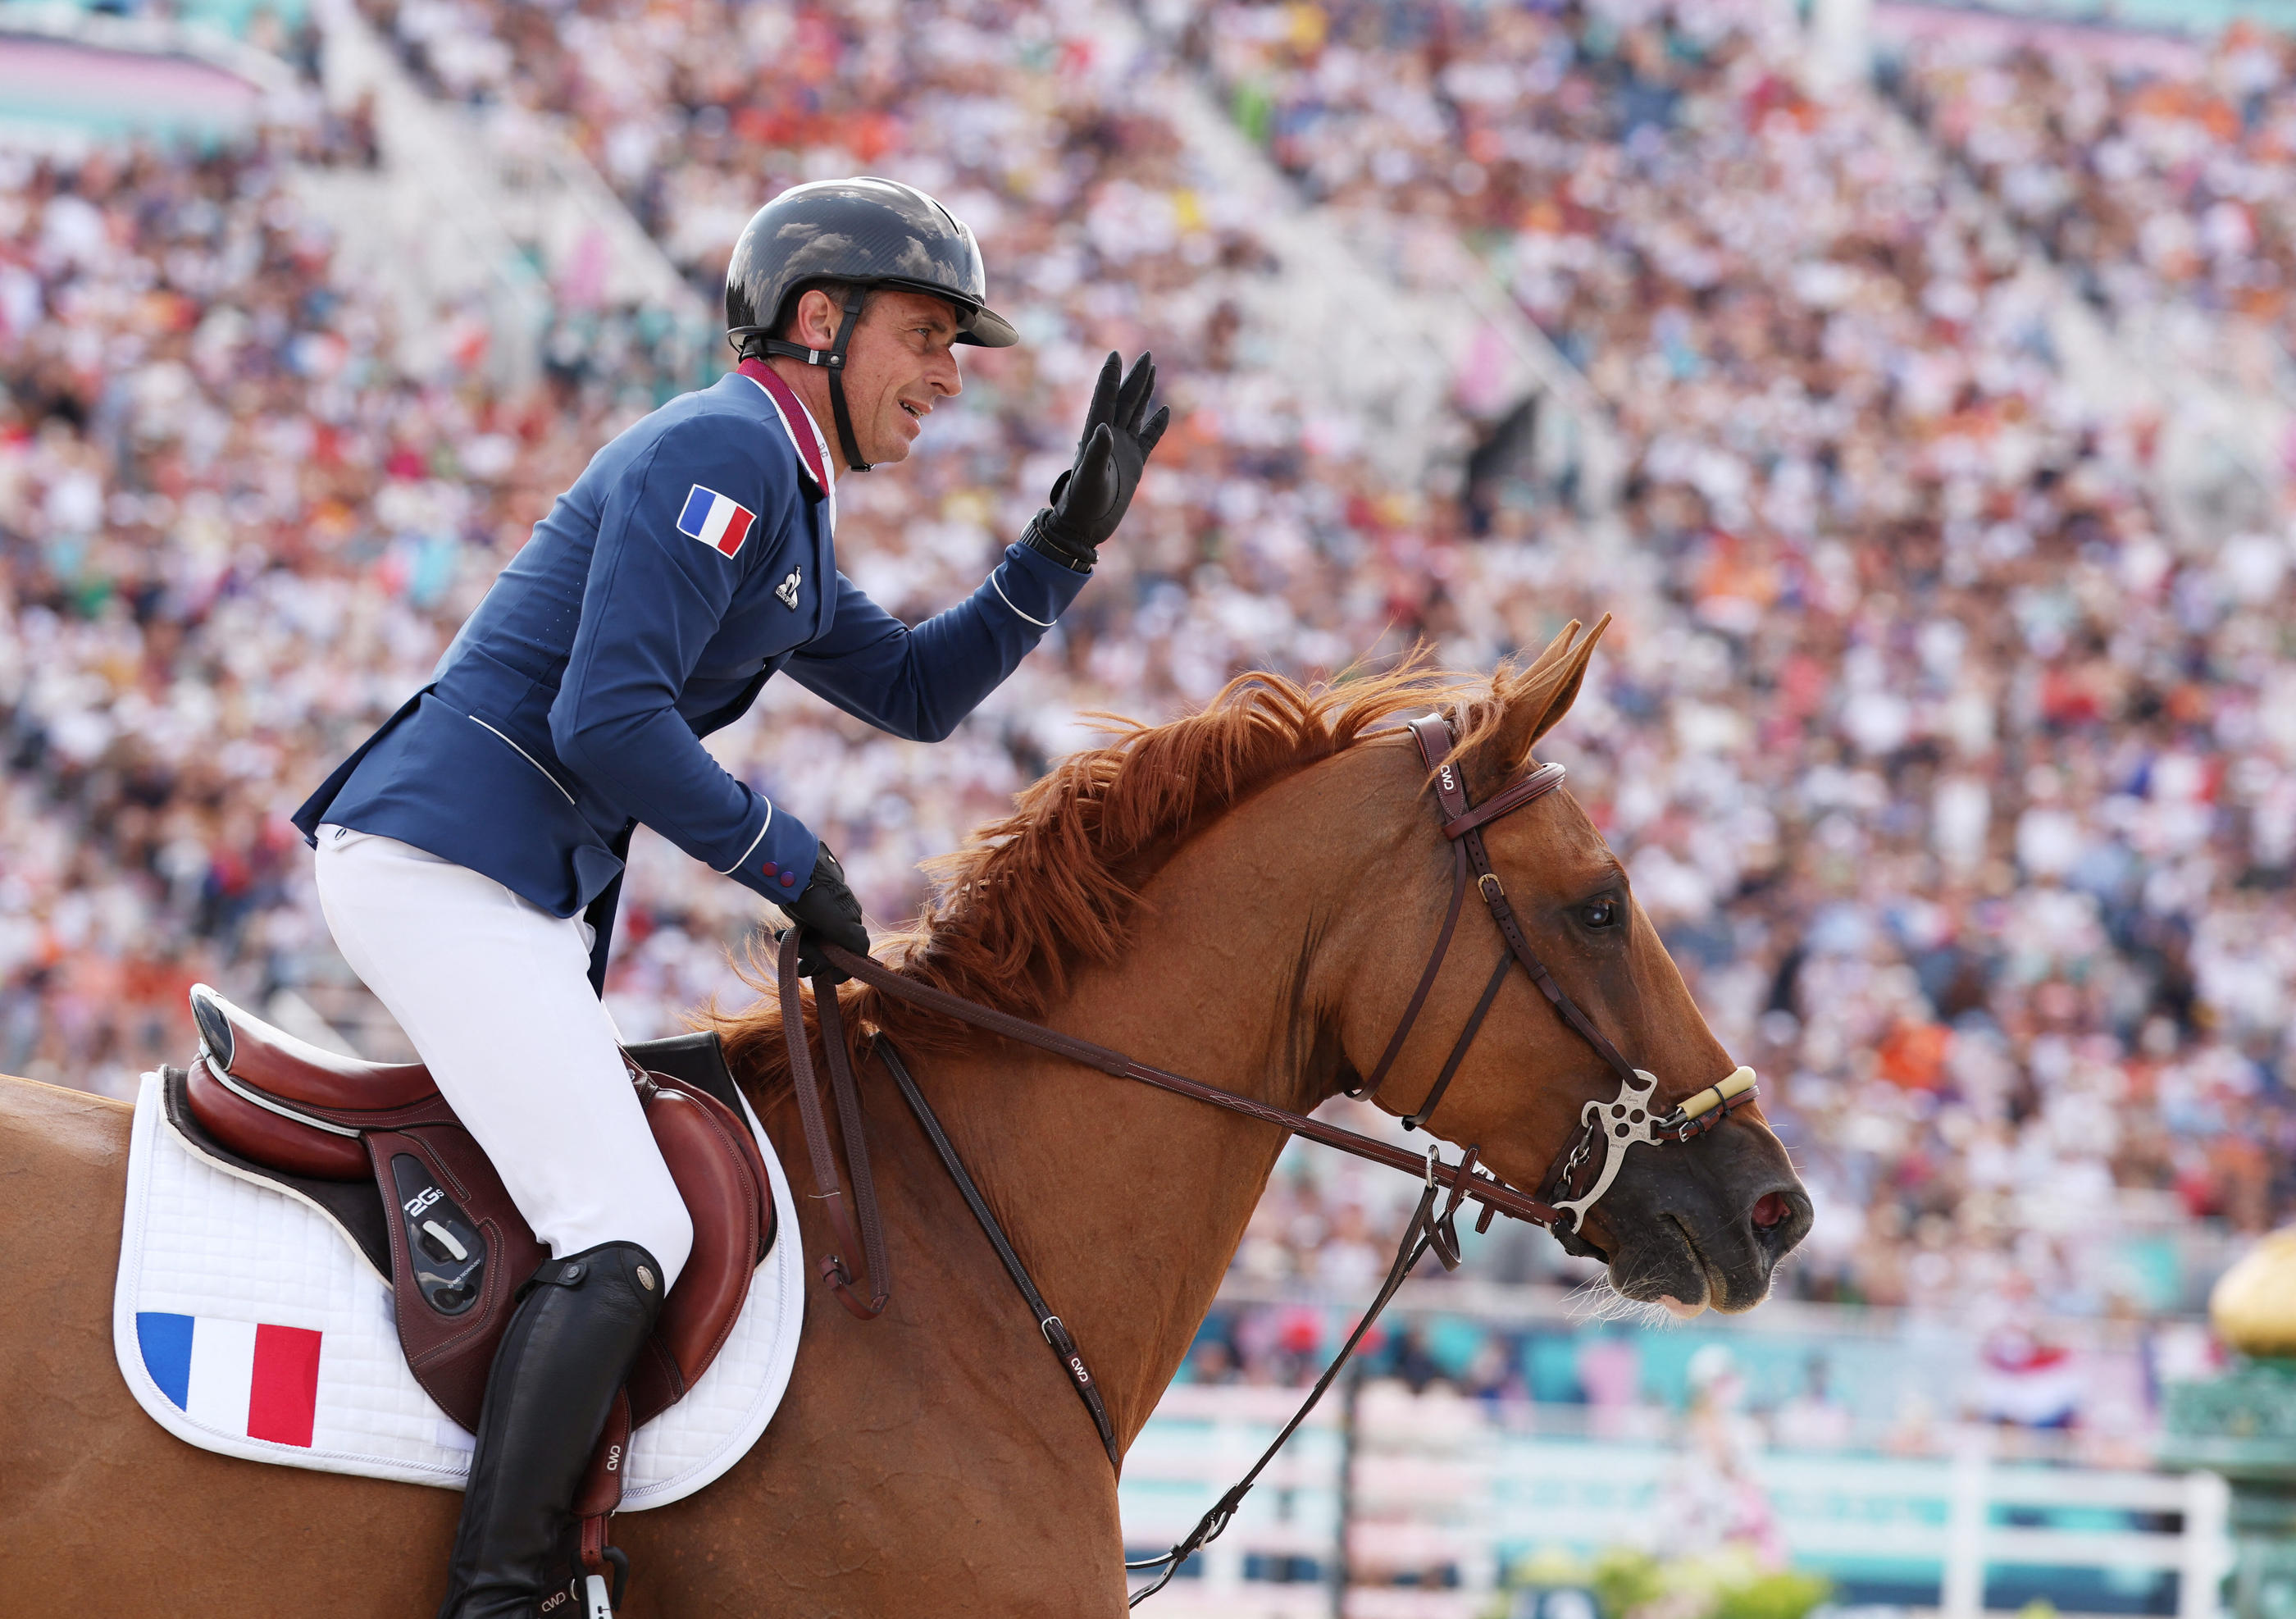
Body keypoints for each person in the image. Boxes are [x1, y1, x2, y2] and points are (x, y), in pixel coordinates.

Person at [290, 176, 1167, 1619]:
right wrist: (791, 858)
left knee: (620, 1210)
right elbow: (610, 721)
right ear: (820, 321)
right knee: (629, 1220)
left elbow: (917, 692)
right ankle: (502, 1595)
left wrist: (1059, 549)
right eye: (931, 334)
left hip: (499, 878)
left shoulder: (789, 501)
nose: (951, 374)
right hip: (445, 859)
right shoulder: (726, 450)